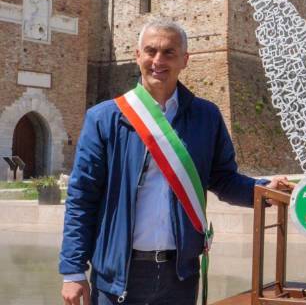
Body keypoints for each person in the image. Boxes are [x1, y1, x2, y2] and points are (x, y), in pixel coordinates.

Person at [60, 20, 287, 305]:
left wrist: (265, 190)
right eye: (151, 51)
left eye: (169, 52)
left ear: (185, 60)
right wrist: (72, 269)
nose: (158, 60)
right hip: (118, 275)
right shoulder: (104, 118)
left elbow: (224, 179)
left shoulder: (207, 116)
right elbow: (82, 197)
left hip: (180, 275)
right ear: (137, 55)